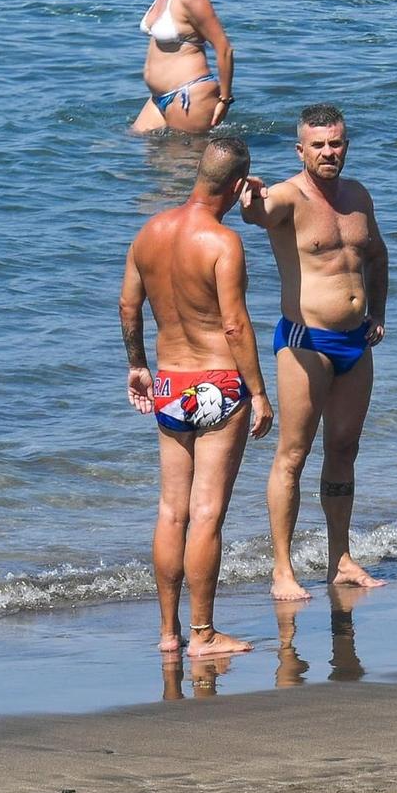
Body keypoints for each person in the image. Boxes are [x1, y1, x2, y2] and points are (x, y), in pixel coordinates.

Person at [119, 134, 275, 659]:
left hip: (169, 383)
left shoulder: (149, 231)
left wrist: (137, 365)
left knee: (171, 512)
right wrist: (258, 392)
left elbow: (127, 306)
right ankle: (204, 635)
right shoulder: (223, 243)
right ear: (236, 187)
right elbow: (233, 325)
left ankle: (168, 633)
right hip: (216, 384)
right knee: (206, 514)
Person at [238, 102, 390, 602]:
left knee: (344, 450)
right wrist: (249, 200)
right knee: (294, 455)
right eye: (319, 145)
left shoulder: (357, 195)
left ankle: (339, 559)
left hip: (355, 343)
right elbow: (260, 214)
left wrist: (378, 313)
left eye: (337, 143)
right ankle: (282, 570)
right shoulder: (289, 196)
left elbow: (376, 255)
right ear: (300, 149)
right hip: (308, 342)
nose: (329, 152)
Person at [133, 0, 236, 135]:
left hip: (189, 97)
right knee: (131, 146)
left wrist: (225, 100)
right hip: (159, 98)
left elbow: (223, 47)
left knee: (184, 164)